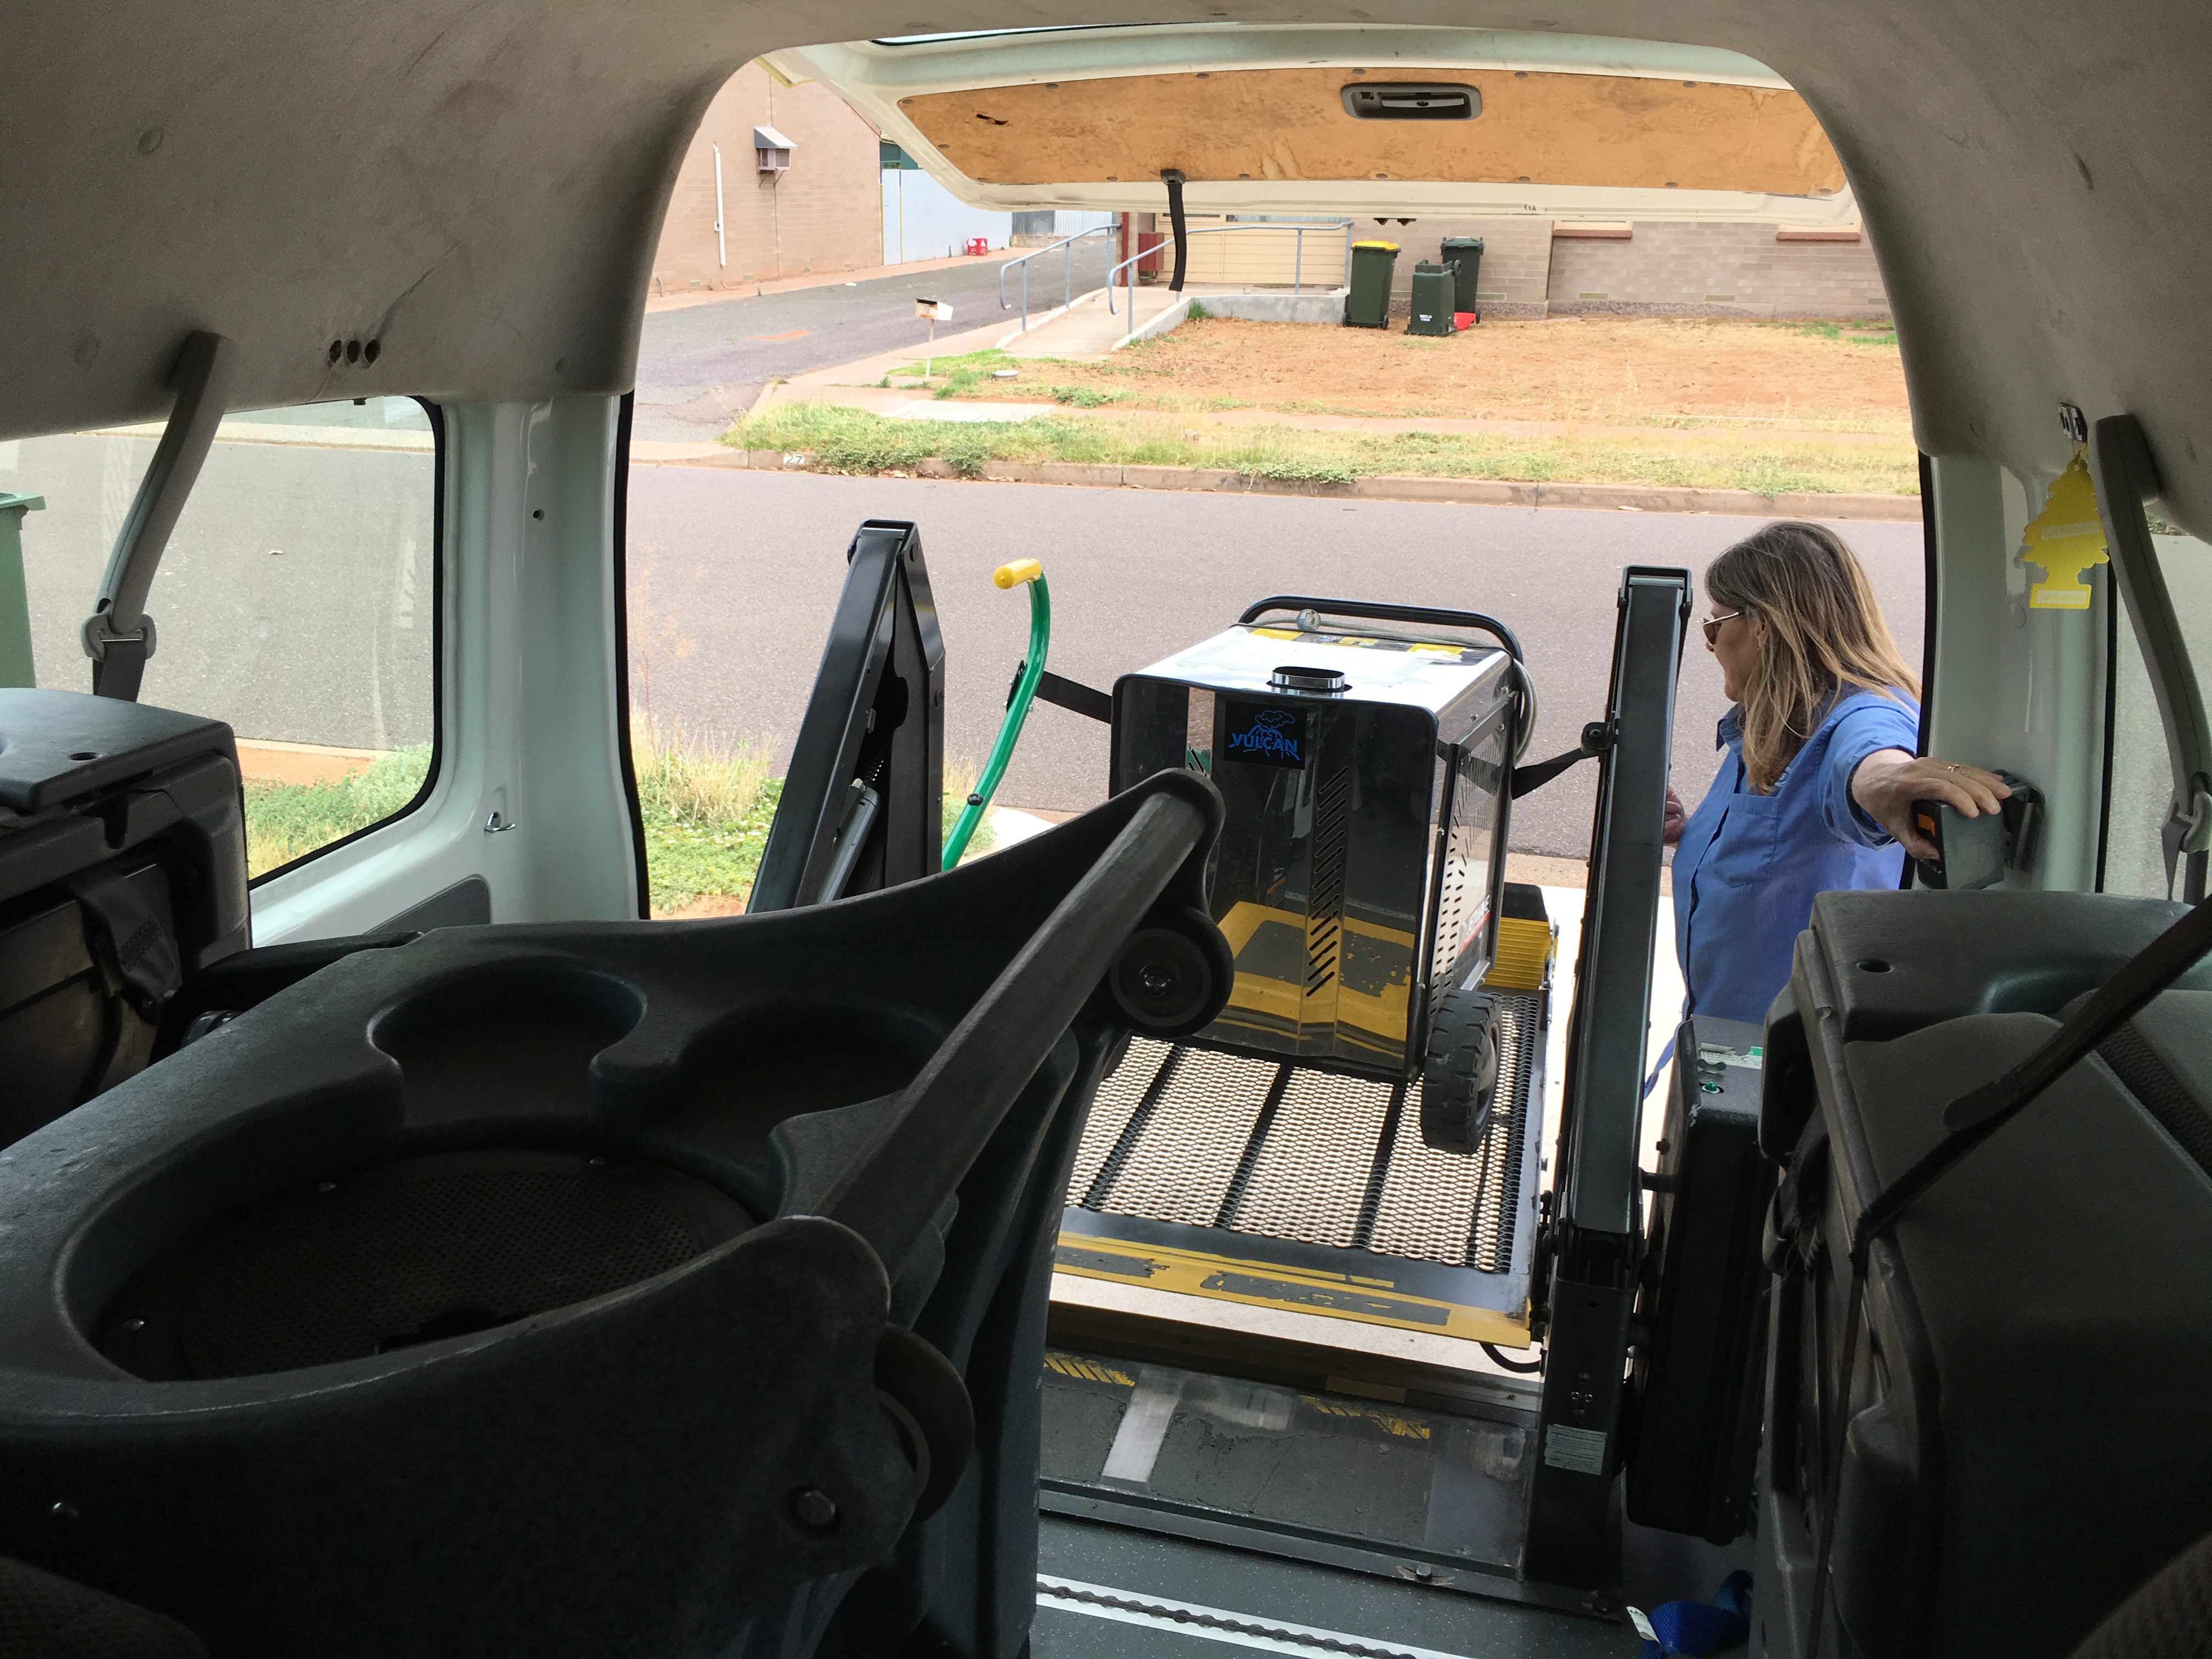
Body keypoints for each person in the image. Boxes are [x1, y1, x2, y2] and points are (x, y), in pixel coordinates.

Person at [1665, 520, 2011, 1026]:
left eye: (1717, 624)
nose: (1711, 643)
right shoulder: (1778, 718)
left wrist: (1885, 783)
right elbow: (1779, 847)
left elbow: (1871, 762)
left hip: (1794, 1054)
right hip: (1724, 1032)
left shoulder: (1863, 716)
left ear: (1763, 627)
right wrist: (1695, 835)